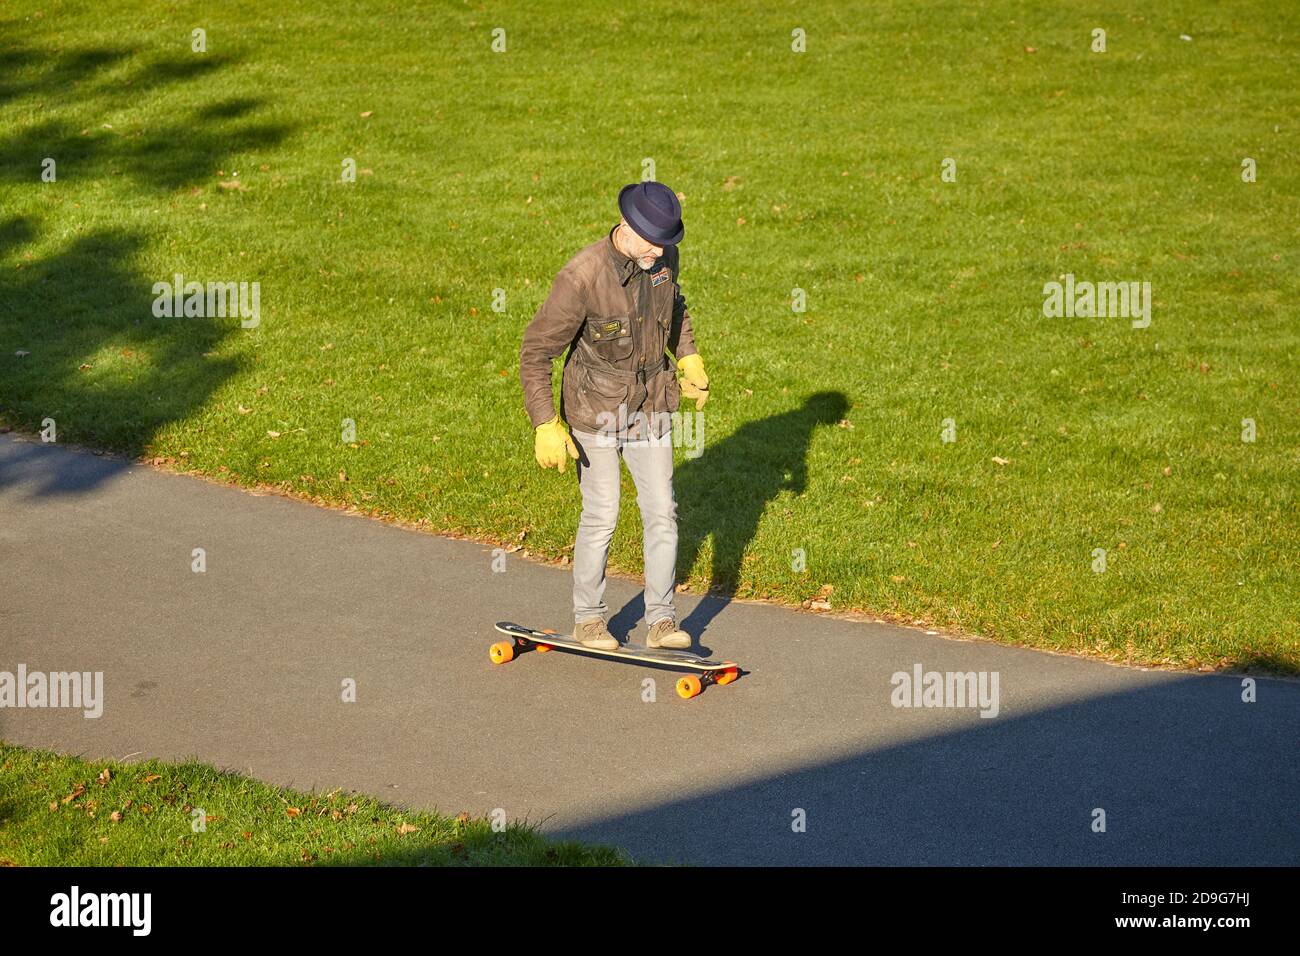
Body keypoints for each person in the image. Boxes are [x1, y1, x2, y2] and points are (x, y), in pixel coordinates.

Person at [519, 181, 710, 650]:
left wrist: (686, 355)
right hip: (594, 408)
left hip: (651, 405)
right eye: (650, 242)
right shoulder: (581, 277)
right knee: (603, 514)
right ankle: (589, 620)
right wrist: (545, 422)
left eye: (664, 244)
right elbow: (536, 352)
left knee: (663, 512)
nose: (658, 252)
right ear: (625, 226)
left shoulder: (662, 256)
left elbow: (675, 306)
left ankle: (662, 621)